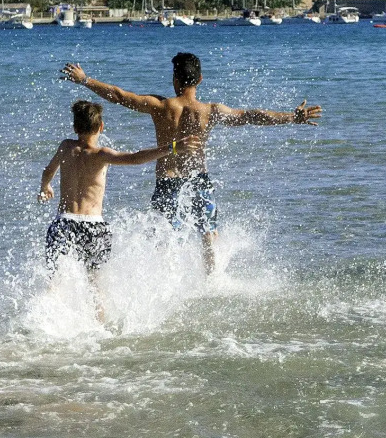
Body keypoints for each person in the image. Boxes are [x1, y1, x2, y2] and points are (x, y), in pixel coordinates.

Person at [60, 53, 322, 272]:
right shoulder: (210, 111)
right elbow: (252, 116)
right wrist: (291, 117)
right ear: (200, 79)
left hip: (168, 181)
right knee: (208, 235)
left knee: (164, 238)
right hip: (199, 181)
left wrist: (86, 80)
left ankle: (165, 285)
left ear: (175, 80)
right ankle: (212, 282)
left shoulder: (160, 106)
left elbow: (119, 95)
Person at [38, 100, 171, 321]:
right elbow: (135, 158)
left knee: (55, 280)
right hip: (93, 226)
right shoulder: (101, 154)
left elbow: (47, 171)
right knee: (95, 283)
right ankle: (99, 328)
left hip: (64, 222)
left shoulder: (65, 147)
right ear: (101, 127)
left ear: (75, 128)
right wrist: (171, 148)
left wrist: (45, 187)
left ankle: (44, 322)